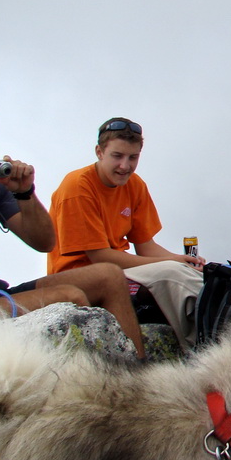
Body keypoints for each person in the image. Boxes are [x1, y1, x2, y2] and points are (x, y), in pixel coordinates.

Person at [0, 102, 145, 358]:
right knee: (69, 297)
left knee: (110, 276)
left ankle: (137, 378)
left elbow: (44, 242)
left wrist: (24, 192)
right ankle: (92, 387)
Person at [47, 117, 205, 348]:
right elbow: (100, 257)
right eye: (117, 156)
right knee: (169, 280)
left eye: (133, 157)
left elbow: (145, 244)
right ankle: (194, 346)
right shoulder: (78, 187)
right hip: (79, 277)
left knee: (190, 275)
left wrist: (181, 260)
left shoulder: (135, 185)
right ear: (99, 152)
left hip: (119, 271)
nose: (125, 166)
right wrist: (168, 265)